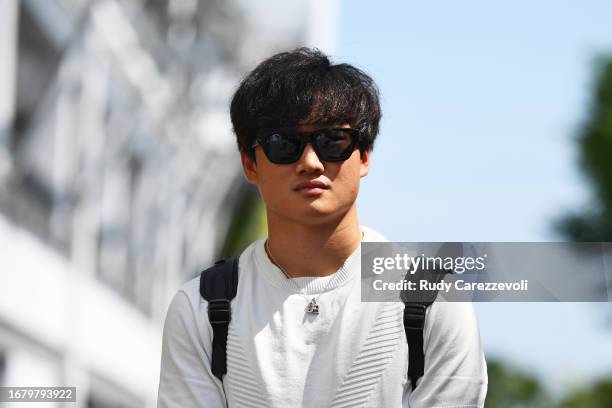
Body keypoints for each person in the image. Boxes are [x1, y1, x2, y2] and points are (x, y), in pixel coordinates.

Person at [157, 47, 488, 407]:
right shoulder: (201, 308)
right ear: (250, 164)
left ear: (364, 155)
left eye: (333, 141)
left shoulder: (433, 299)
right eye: (284, 144)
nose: (311, 162)